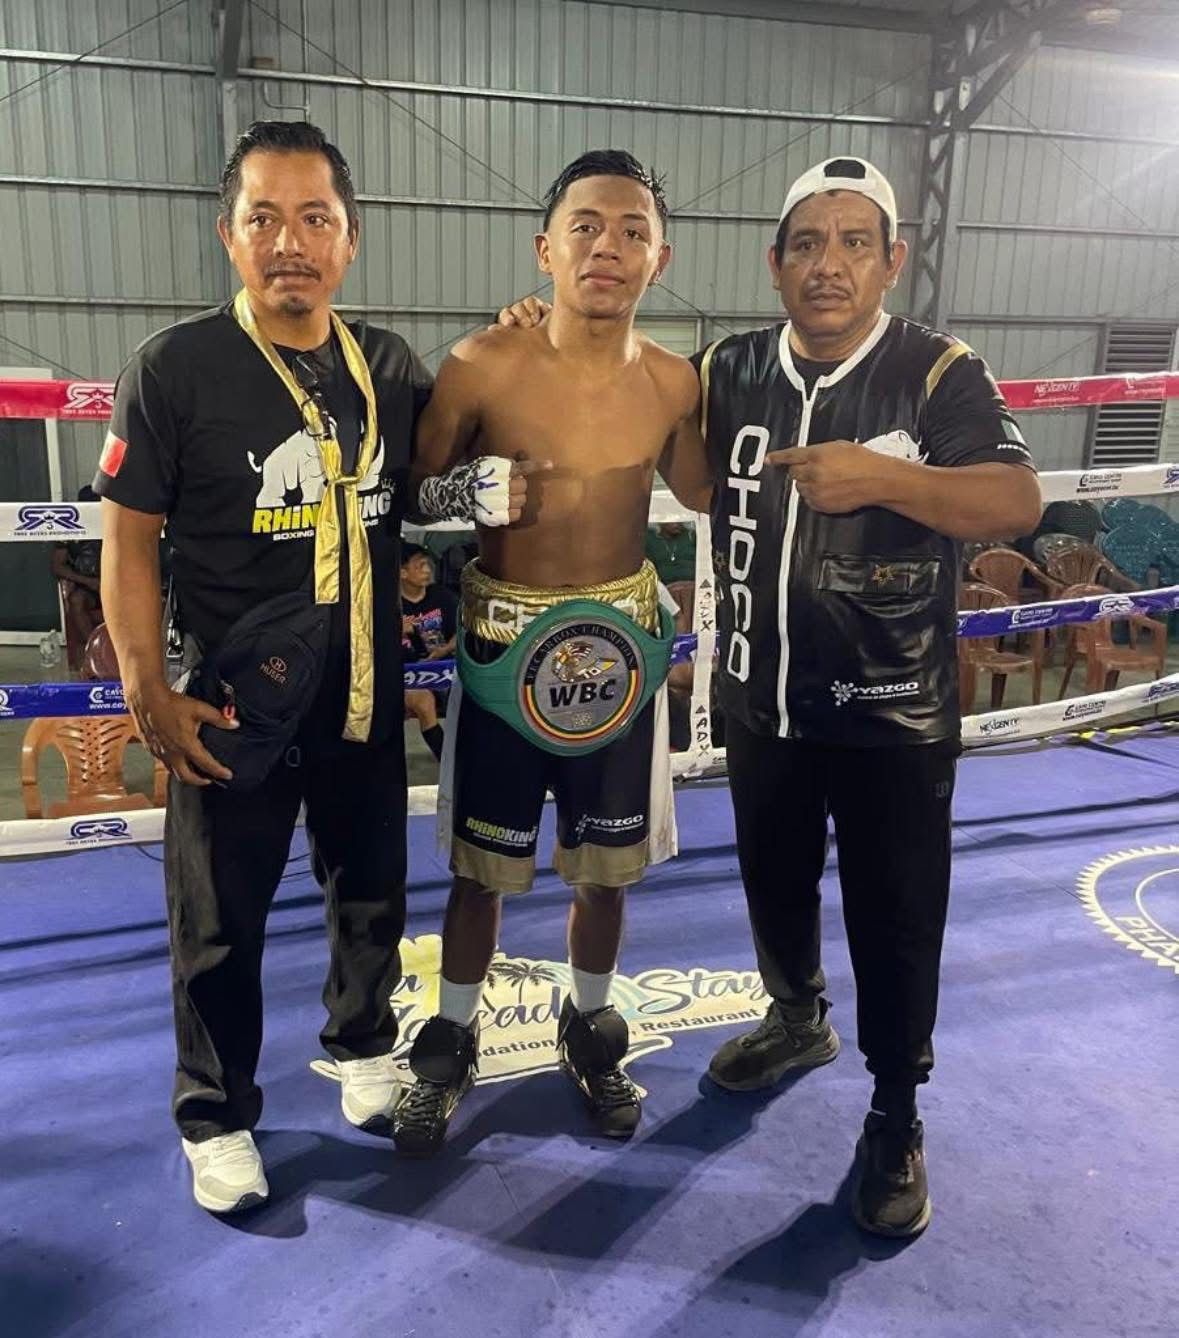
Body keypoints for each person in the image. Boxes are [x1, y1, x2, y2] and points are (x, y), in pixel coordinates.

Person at [498, 156, 1041, 1237]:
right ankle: (796, 1018)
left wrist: (885, 478)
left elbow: (1015, 500)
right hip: (762, 699)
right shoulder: (730, 366)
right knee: (774, 886)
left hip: (891, 713)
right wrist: (542, 326)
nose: (828, 265)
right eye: (806, 244)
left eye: (853, 243)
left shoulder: (937, 371)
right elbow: (655, 420)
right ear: (775, 262)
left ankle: (895, 1112)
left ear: (892, 260)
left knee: (895, 919)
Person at [95, 120, 433, 1215]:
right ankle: (215, 1112)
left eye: (316, 218)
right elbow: (127, 541)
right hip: (229, 699)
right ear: (228, 234)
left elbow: (458, 456)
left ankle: (364, 1044)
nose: (292, 241)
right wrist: (146, 686)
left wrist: (529, 328)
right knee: (217, 916)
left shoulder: (389, 366)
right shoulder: (174, 369)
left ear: (351, 237)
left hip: (362, 684)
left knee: (371, 883)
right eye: (265, 217)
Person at [399, 149, 712, 1156]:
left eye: (632, 231)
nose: (607, 247)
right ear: (546, 249)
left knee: (606, 872)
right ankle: (450, 1038)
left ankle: (590, 1026)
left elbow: (707, 490)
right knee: (478, 873)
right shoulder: (480, 364)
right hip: (503, 652)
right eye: (586, 227)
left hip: (618, 658)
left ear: (660, 259)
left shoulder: (676, 381)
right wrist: (467, 490)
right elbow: (410, 490)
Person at [400, 542, 458, 760]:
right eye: (419, 566)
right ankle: (449, 763)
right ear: (403, 572)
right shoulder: (388, 603)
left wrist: (446, 648)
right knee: (423, 702)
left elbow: (463, 630)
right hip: (405, 675)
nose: (427, 570)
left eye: (427, 565)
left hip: (443, 668)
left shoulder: (442, 596)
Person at [51, 486, 104, 669]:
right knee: (76, 601)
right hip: (87, 585)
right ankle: (95, 654)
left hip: (116, 583)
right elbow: (57, 566)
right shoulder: (69, 529)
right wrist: (89, 581)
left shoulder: (114, 522)